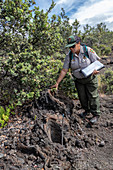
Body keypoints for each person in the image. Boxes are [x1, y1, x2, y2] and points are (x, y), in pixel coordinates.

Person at [51, 35, 101, 124]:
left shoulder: (88, 50)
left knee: (93, 96)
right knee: (82, 97)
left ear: (78, 43)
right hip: (79, 81)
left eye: (73, 46)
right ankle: (86, 111)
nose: (71, 49)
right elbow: (64, 70)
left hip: (90, 79)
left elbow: (97, 63)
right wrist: (57, 82)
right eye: (69, 47)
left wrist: (96, 70)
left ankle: (95, 114)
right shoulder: (69, 55)